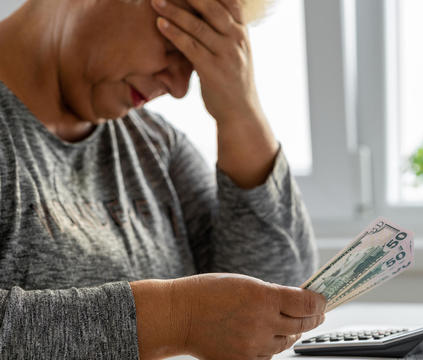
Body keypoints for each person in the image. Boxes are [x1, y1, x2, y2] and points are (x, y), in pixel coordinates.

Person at [0, 0, 327, 358]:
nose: (179, 87)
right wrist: (177, 318)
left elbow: (273, 301)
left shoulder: (155, 146)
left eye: (198, 59)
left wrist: (240, 112)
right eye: (176, 44)